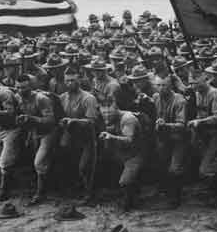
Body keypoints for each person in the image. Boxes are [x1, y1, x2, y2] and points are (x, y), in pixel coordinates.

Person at [15, 75, 63, 205]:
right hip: (34, 132)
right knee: (37, 162)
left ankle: (41, 193)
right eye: (18, 87)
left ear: (30, 87)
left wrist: (31, 119)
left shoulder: (41, 99)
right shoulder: (18, 97)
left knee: (39, 162)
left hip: (48, 133)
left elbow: (50, 120)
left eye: (24, 87)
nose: (20, 90)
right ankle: (43, 187)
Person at [59, 67, 101, 203]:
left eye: (73, 80)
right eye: (67, 81)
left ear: (79, 80)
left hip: (87, 137)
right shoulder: (63, 97)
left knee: (85, 167)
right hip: (70, 137)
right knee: (69, 165)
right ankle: (76, 190)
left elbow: (92, 122)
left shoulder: (88, 98)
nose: (70, 83)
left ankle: (90, 194)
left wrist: (74, 121)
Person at [98, 92, 146, 211]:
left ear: (116, 109)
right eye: (103, 113)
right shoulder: (110, 118)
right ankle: (133, 189)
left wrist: (111, 137)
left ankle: (130, 200)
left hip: (135, 155)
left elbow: (129, 140)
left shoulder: (127, 119)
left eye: (109, 113)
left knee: (124, 182)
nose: (106, 116)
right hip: (122, 154)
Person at [187, 70, 217, 207]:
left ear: (205, 80)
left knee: (206, 168)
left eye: (195, 83)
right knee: (212, 163)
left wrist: (201, 122)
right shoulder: (198, 92)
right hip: (204, 134)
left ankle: (216, 196)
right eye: (190, 83)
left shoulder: (215, 94)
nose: (192, 86)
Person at [153, 74, 187, 209]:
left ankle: (176, 198)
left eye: (164, 85)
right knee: (163, 165)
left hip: (178, 139)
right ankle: (168, 192)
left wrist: (165, 125)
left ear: (171, 86)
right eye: (158, 85)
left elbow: (182, 125)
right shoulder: (156, 98)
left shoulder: (180, 101)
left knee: (174, 168)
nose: (161, 88)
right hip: (163, 139)